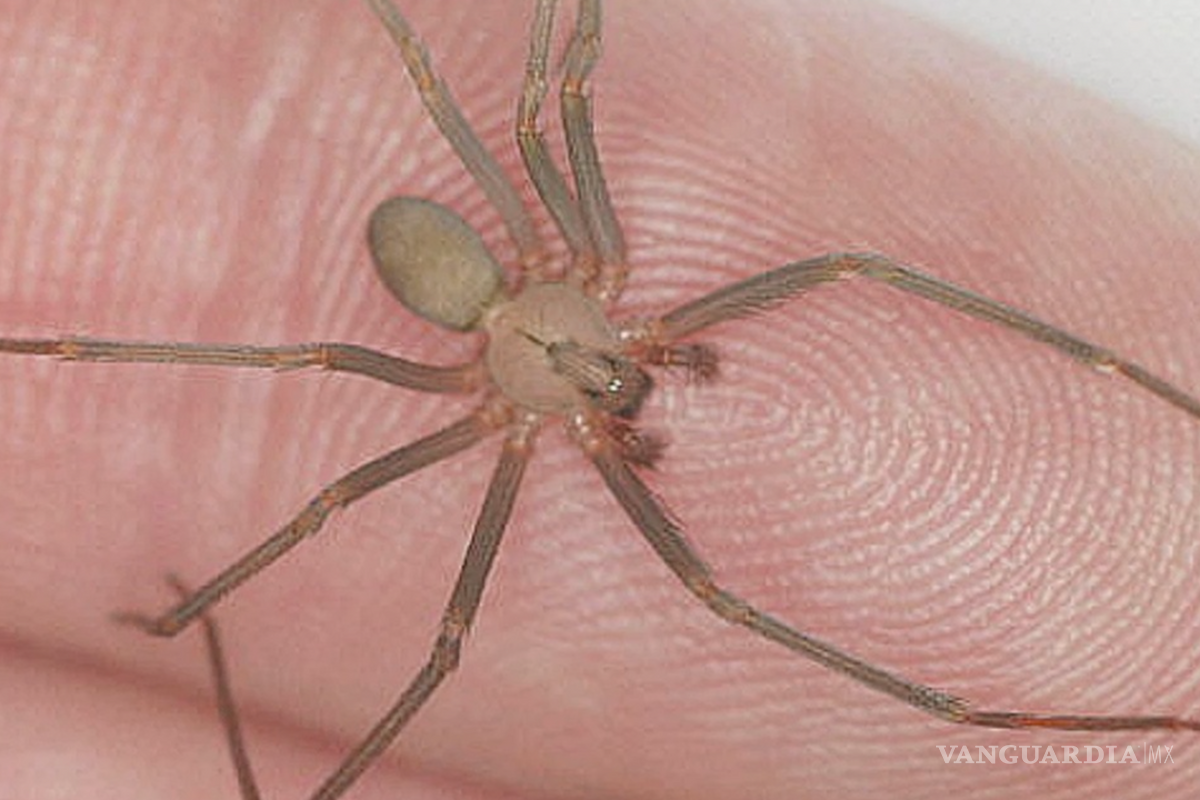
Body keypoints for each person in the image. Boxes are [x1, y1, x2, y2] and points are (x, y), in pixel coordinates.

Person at [2, 1, 1199, 798]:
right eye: (612, 372)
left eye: (614, 372)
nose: (618, 374)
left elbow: (561, 83)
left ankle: (1130, 399)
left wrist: (1110, 364)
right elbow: (505, 95)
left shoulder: (589, 305)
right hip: (483, 301)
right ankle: (179, 622)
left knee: (841, 261)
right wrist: (193, 612)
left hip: (509, 290)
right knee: (421, 570)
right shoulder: (535, 364)